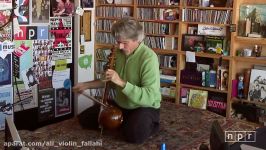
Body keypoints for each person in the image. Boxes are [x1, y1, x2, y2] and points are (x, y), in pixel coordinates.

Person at [73, 17, 161, 144]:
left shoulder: (148, 58)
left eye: (124, 42)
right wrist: (85, 85)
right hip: (121, 105)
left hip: (143, 106)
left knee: (134, 136)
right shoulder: (119, 53)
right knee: (85, 119)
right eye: (118, 41)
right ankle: (124, 122)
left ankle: (151, 123)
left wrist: (120, 81)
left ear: (137, 39)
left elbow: (149, 96)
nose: (120, 46)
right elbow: (108, 79)